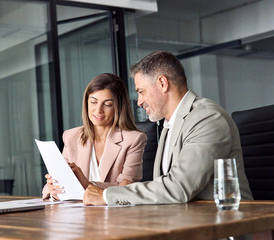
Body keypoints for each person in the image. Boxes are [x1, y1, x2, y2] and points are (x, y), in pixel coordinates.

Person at [83, 51, 253, 206]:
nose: (139, 101)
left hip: (221, 226)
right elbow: (164, 187)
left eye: (141, 92)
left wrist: (106, 196)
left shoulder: (207, 118)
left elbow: (178, 187)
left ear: (163, 83)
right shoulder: (168, 125)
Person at [43, 73, 147, 201]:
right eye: (93, 102)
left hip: (115, 215)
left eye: (107, 104)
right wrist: (52, 189)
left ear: (118, 107)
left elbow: (127, 188)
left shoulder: (133, 140)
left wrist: (87, 184)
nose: (98, 110)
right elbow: (59, 182)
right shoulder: (71, 136)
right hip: (77, 214)